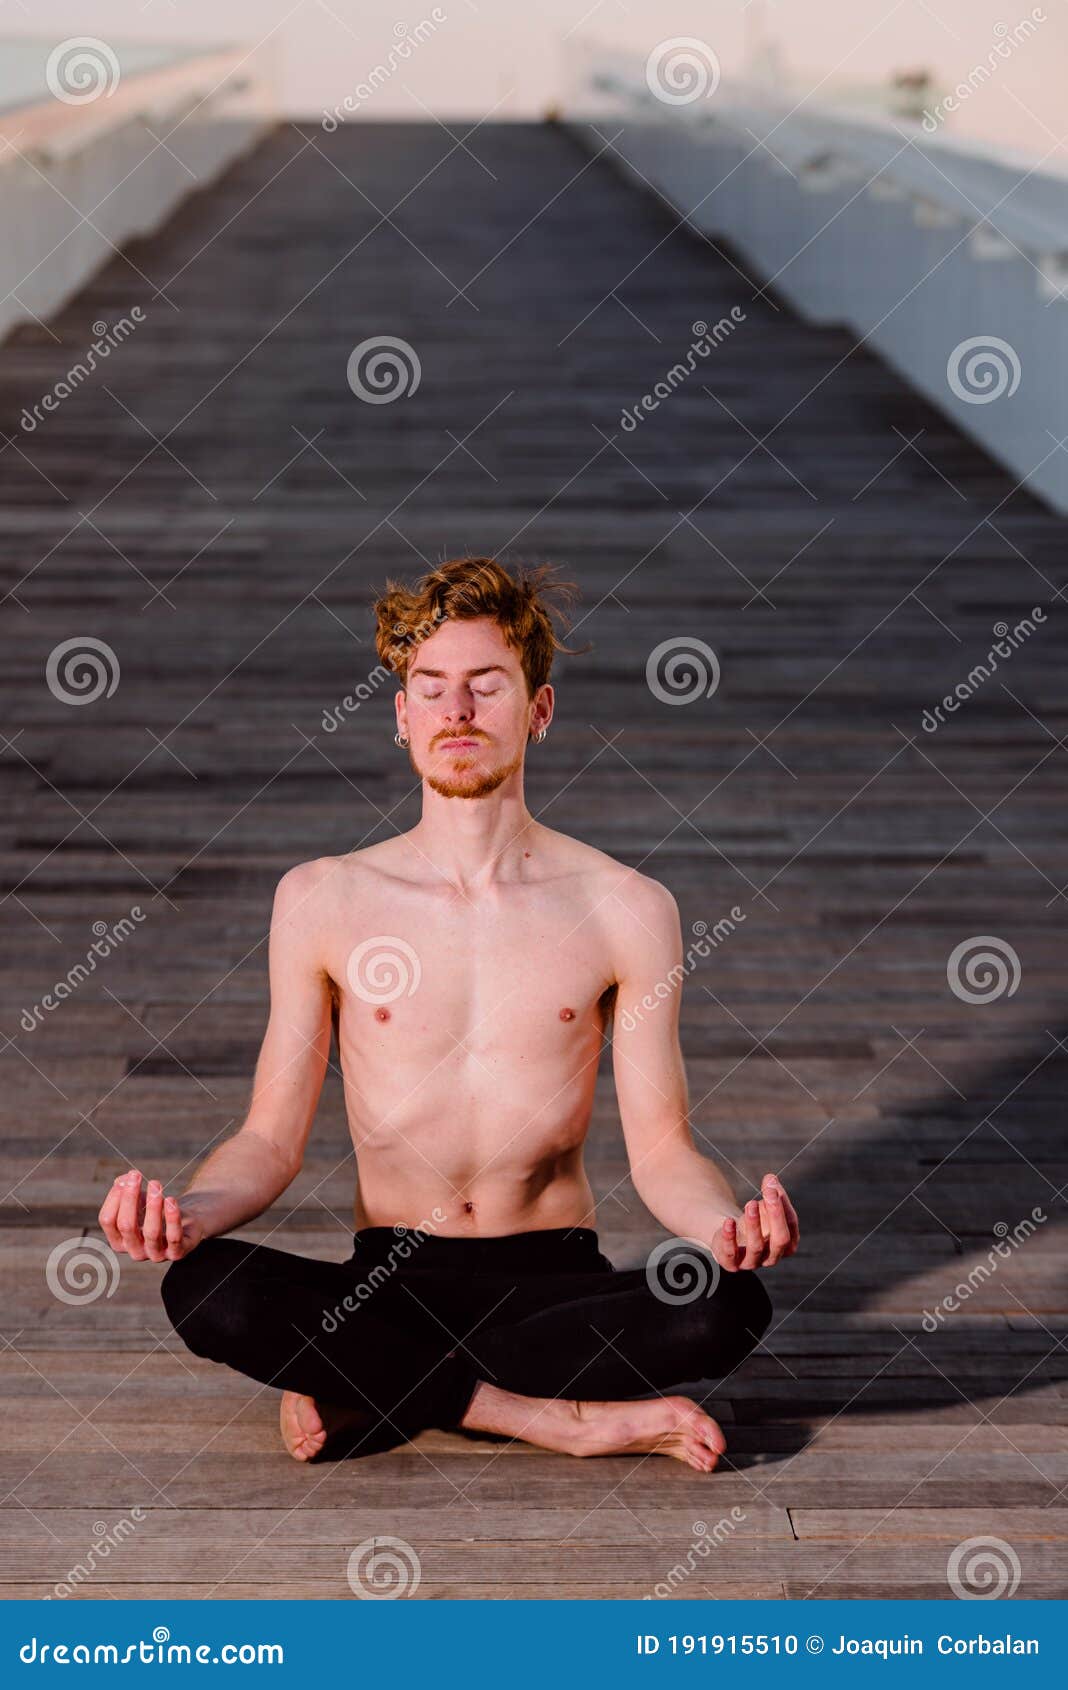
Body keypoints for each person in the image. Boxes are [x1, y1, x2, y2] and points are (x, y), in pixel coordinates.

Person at [98, 556, 799, 1469]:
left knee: (727, 1304)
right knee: (208, 1290)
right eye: (430, 690)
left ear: (537, 710)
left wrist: (722, 1229)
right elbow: (269, 1142)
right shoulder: (323, 899)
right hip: (388, 1278)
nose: (456, 712)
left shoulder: (627, 907)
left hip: (555, 1283)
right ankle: (548, 1416)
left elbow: (663, 1149)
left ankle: (378, 1386)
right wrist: (189, 1213)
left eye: (485, 687)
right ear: (402, 717)